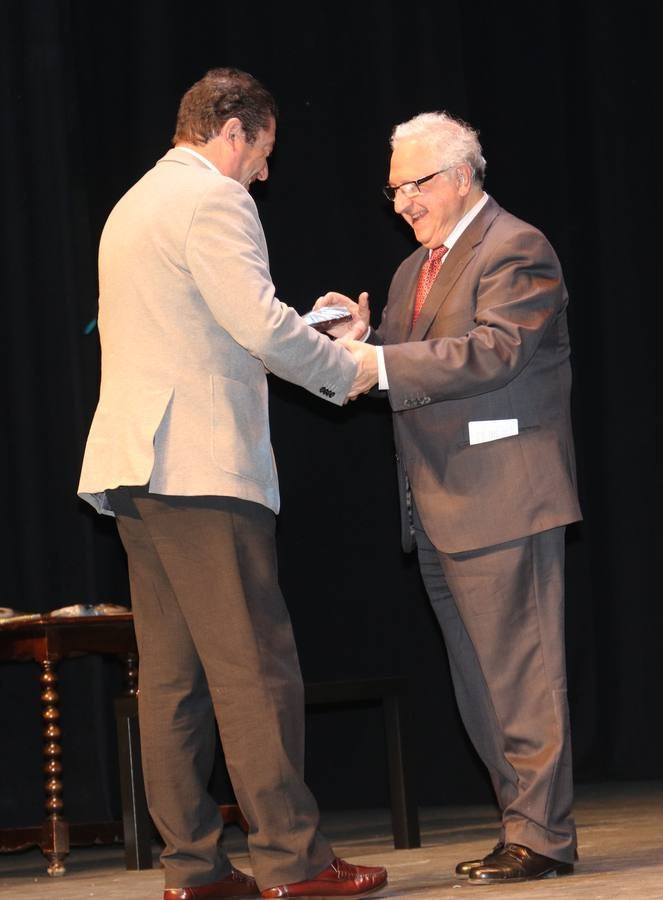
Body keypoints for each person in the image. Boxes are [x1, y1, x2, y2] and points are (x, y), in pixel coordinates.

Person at [77, 67, 387, 900]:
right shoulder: (215, 199)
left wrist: (301, 328)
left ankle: (194, 872)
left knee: (174, 679)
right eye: (264, 152)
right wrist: (350, 365)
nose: (264, 173)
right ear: (235, 131)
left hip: (136, 468)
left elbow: (198, 321)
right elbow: (255, 323)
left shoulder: (133, 204)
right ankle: (297, 864)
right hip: (201, 465)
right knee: (255, 669)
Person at [314, 110, 582, 884]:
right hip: (435, 505)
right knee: (478, 684)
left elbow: (492, 352)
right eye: (392, 188)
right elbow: (405, 363)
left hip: (503, 496)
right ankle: (519, 825)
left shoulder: (516, 247)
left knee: (521, 677)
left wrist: (379, 360)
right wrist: (356, 340)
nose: (399, 201)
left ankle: (542, 836)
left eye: (413, 184)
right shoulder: (412, 272)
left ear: (460, 176)